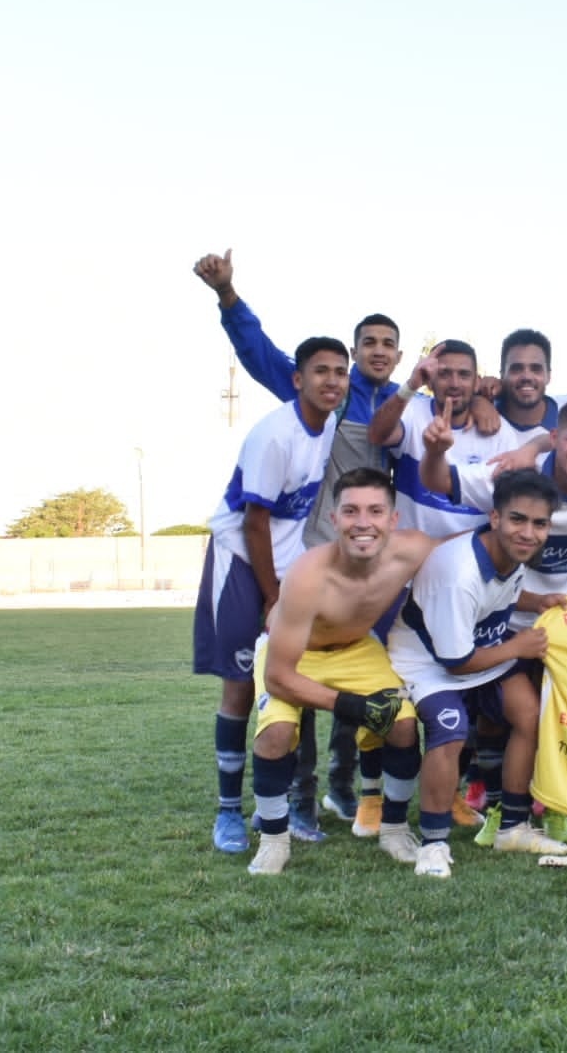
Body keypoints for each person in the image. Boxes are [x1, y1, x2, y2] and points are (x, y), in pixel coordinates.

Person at [193, 248, 409, 832]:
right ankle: (251, 807)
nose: (376, 353)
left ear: (400, 354)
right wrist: (229, 297)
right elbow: (259, 352)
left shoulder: (398, 404)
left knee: (338, 664)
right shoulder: (309, 407)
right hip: (267, 562)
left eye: (390, 343)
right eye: (368, 343)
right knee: (253, 679)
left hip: (327, 561)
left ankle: (331, 790)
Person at [419, 397, 567, 840]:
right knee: (498, 719)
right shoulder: (508, 476)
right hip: (499, 630)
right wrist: (436, 450)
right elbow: (436, 480)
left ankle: (553, 806)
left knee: (559, 715)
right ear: (555, 438)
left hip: (565, 623)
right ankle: (495, 808)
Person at [192, 335, 349, 854]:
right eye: (320, 371)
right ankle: (227, 813)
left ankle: (277, 804)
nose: (332, 380)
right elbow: (255, 522)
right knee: (240, 683)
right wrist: (271, 594)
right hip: (242, 562)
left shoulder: (325, 424)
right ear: (297, 379)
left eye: (339, 372)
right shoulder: (274, 436)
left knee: (290, 683)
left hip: (285, 568)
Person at [244, 468, 432, 874]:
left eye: (375, 511)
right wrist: (354, 706)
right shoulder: (308, 574)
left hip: (356, 648)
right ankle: (274, 840)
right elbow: (279, 676)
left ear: (393, 519)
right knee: (276, 731)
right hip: (294, 655)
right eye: (351, 511)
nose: (363, 522)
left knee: (401, 724)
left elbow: (472, 555)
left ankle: (394, 829)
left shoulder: (413, 549)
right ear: (334, 519)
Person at [387, 468, 567, 877]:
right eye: (518, 519)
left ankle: (514, 827)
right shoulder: (459, 573)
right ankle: (434, 843)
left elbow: (503, 591)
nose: (529, 532)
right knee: (450, 729)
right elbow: (456, 662)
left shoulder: (510, 553)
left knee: (528, 711)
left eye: (540, 523)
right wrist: (518, 647)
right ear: (495, 518)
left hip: (478, 649)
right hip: (428, 662)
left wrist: (539, 602)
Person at [369, 339, 523, 537]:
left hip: (467, 559)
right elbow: (377, 435)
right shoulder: (412, 412)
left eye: (464, 375)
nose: (454, 384)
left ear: (477, 381)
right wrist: (412, 384)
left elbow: (507, 503)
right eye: (444, 374)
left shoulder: (501, 433)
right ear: (430, 381)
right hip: (408, 557)